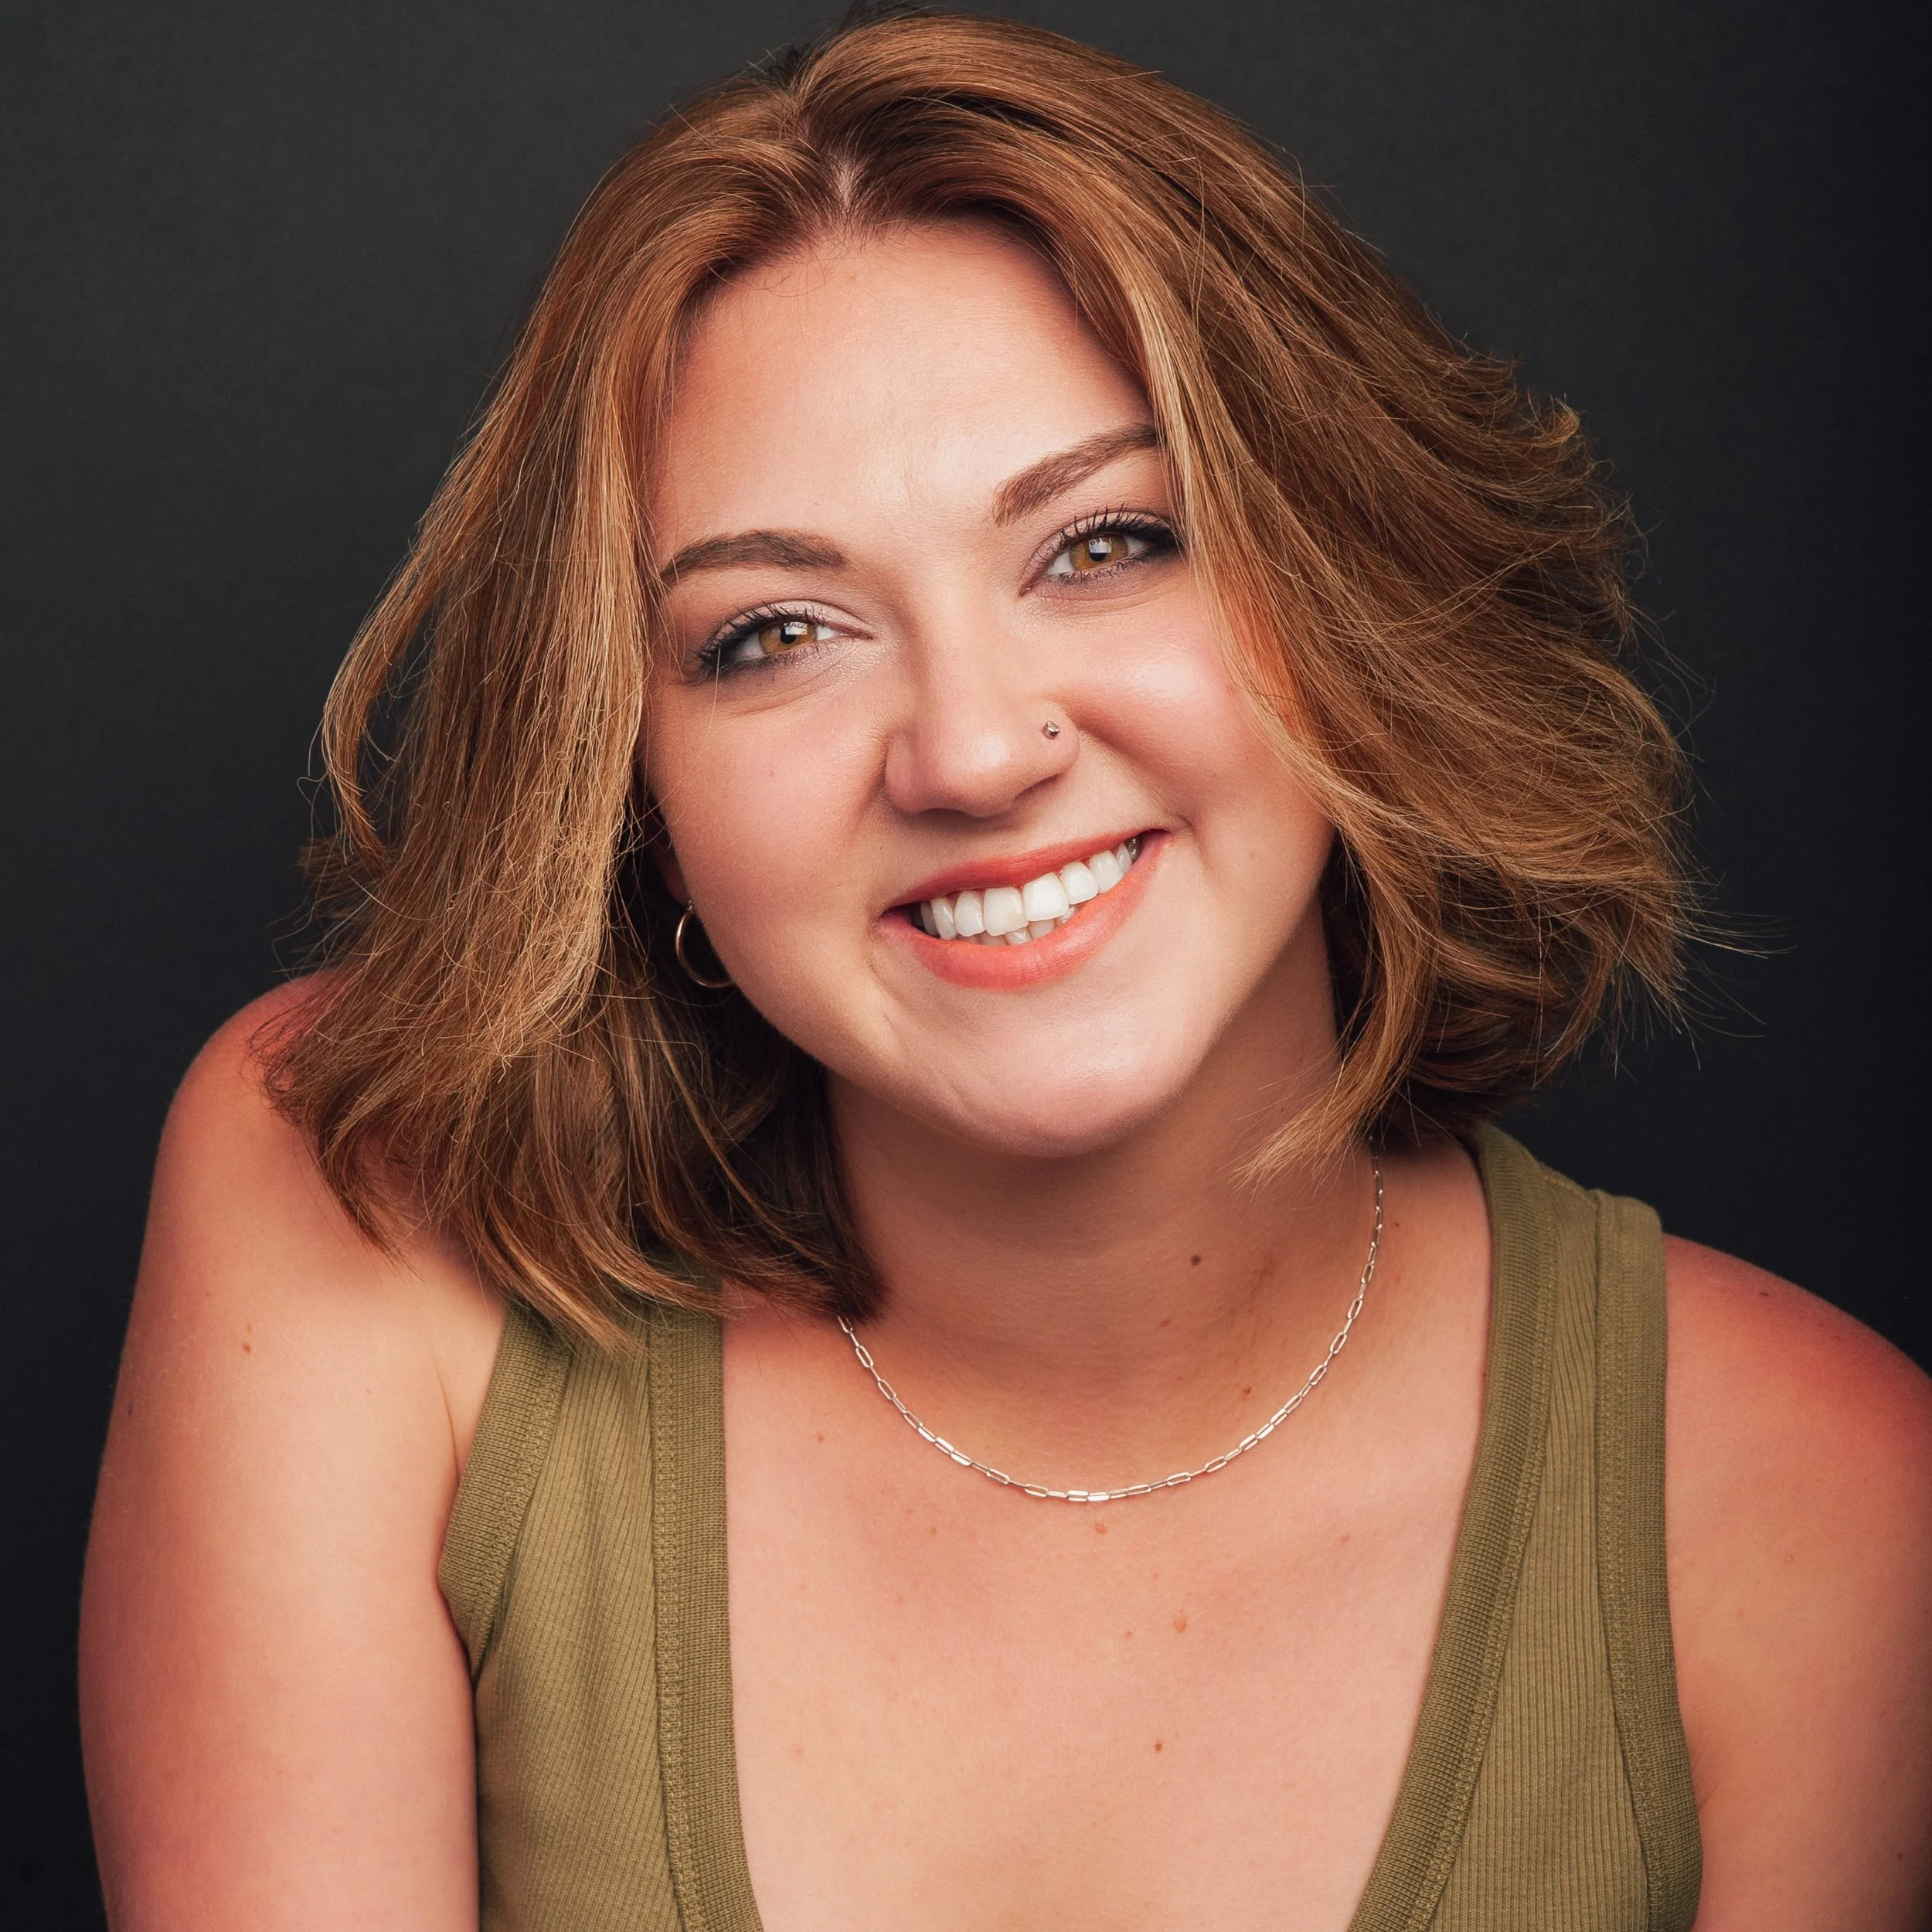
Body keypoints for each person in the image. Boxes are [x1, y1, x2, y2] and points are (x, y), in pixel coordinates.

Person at [78, 14, 1932, 1930]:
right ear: (627, 789)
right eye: (772, 632)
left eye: (1101, 542)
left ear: (1344, 605)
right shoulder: (351, 1192)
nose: (968, 749)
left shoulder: (1817, 1506)